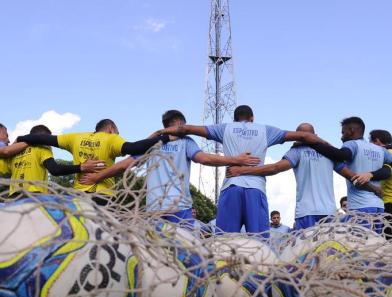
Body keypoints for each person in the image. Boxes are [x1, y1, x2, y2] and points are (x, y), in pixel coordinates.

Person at [160, 107, 326, 235]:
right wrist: (322, 145)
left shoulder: (225, 128)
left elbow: (186, 129)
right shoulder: (266, 130)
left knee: (224, 242)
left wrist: (161, 133)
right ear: (252, 118)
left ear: (235, 119)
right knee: (259, 242)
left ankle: (224, 278)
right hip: (256, 188)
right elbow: (304, 136)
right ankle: (256, 279)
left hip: (231, 186)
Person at [79, 110, 260, 222]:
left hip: (154, 210)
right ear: (181, 125)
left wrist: (96, 177)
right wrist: (236, 159)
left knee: (155, 260)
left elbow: (124, 165)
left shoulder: (151, 143)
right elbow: (204, 159)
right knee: (186, 259)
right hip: (180, 209)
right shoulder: (186, 141)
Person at [17, 119, 172, 205]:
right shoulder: (111, 139)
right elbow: (133, 147)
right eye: (117, 132)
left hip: (79, 197)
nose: (118, 135)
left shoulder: (75, 137)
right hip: (104, 196)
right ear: (111, 128)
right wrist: (164, 138)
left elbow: (43, 138)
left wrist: (22, 138)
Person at [227, 123, 349, 230]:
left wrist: (242, 170)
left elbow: (274, 168)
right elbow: (350, 175)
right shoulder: (330, 154)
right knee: (327, 253)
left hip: (306, 212)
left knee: (306, 253)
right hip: (330, 212)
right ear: (315, 135)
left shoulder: (297, 152)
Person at [1, 125, 102, 197]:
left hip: (14, 198)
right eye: (47, 139)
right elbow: (55, 170)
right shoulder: (43, 148)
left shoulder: (13, 153)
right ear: (42, 138)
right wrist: (81, 167)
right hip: (34, 197)